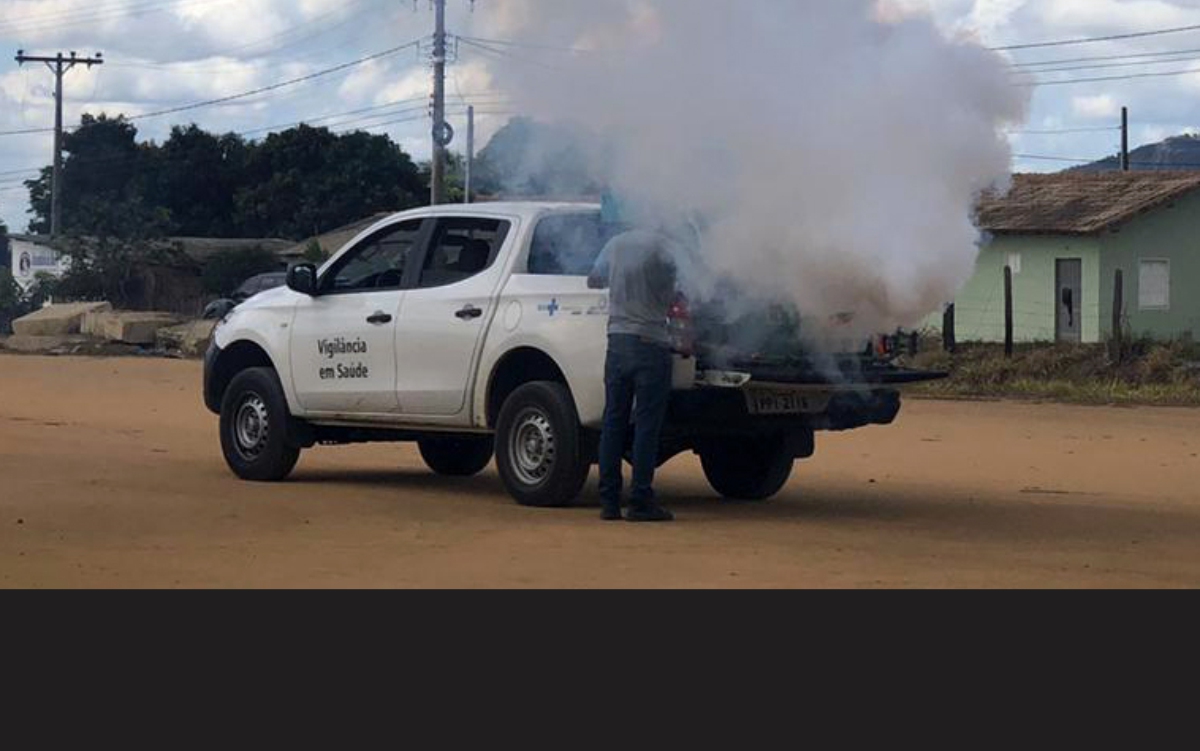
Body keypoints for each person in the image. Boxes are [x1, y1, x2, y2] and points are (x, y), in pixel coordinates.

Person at [589, 226, 679, 523]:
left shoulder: (615, 243)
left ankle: (609, 502)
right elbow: (688, 289)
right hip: (652, 343)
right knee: (645, 427)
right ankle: (640, 499)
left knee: (613, 421)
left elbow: (593, 280)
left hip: (617, 341)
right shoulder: (665, 246)